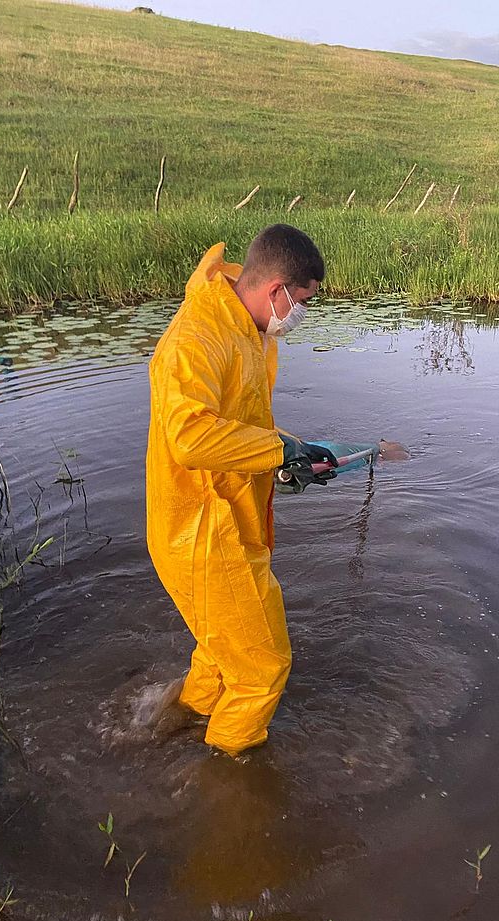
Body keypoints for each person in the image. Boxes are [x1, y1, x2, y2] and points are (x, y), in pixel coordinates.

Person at [146, 224, 338, 756]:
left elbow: (240, 423)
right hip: (203, 535)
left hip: (231, 522)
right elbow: (189, 437)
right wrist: (279, 451)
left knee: (220, 650)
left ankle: (174, 723)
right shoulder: (195, 339)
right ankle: (226, 778)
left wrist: (292, 451)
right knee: (262, 667)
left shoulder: (244, 325)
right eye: (300, 301)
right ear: (275, 288)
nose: (298, 314)